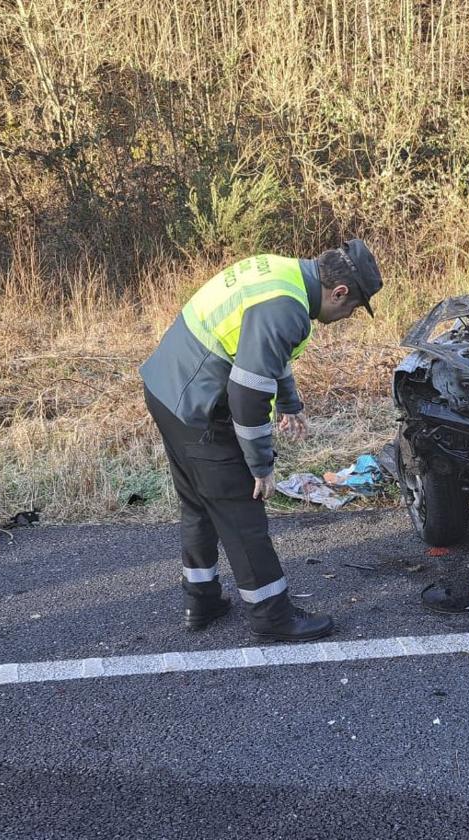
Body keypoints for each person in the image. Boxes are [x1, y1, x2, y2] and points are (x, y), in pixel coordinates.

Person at [140, 240, 382, 640]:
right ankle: (272, 617)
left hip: (168, 390)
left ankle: (201, 601)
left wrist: (289, 402)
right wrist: (261, 466)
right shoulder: (285, 308)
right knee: (242, 514)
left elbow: (266, 352)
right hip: (200, 405)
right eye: (353, 308)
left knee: (200, 503)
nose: (348, 315)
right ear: (340, 292)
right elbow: (247, 395)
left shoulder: (282, 273)